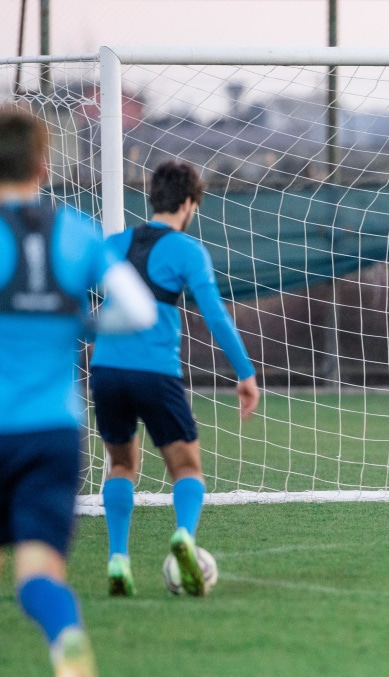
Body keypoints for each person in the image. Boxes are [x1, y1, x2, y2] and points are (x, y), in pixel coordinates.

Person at [0, 104, 157, 677]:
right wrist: (83, 324)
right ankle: (65, 630)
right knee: (39, 577)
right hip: (53, 435)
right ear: (44, 166)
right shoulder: (76, 232)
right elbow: (141, 310)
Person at [90, 160, 260, 598]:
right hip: (155, 373)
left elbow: (71, 292)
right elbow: (216, 316)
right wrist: (244, 373)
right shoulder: (187, 251)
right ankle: (184, 535)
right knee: (187, 468)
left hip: (106, 371)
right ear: (187, 203)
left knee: (122, 465)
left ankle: (118, 559)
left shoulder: (113, 244)